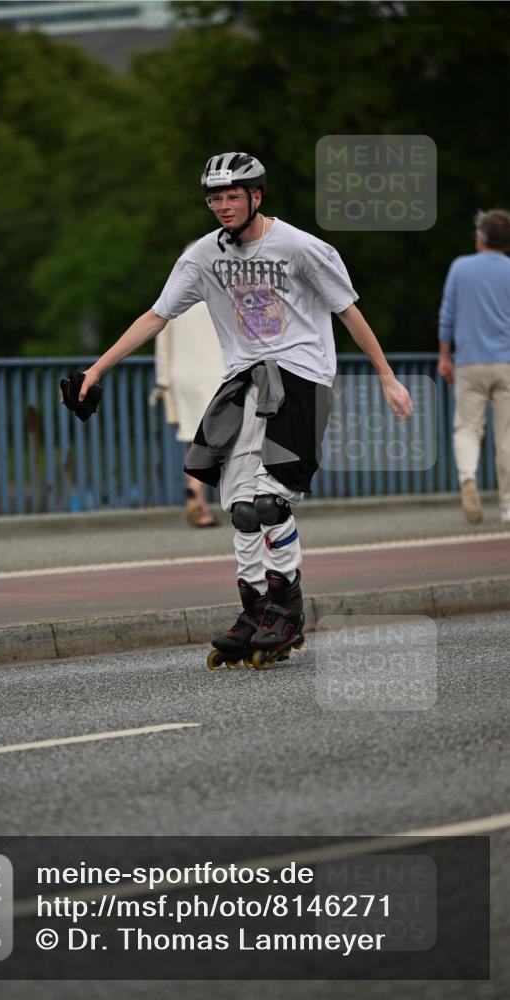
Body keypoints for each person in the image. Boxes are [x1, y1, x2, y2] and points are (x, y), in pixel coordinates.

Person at [77, 152, 412, 668]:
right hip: (243, 384)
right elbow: (155, 316)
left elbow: (348, 310)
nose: (223, 206)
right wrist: (96, 370)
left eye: (233, 195)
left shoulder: (302, 248)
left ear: (257, 196)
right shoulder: (202, 257)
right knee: (240, 509)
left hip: (301, 379)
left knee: (271, 503)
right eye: (215, 198)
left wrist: (388, 376)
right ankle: (255, 609)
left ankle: (287, 608)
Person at [438, 208, 510, 525]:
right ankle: (508, 506)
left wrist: (444, 356)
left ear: (481, 237)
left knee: (467, 429)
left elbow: (447, 315)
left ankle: (468, 477)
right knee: (506, 438)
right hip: (506, 362)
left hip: (469, 363)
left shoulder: (460, 267)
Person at [151, 299, 226, 527]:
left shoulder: (175, 296)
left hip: (181, 375)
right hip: (216, 371)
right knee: (222, 435)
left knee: (192, 439)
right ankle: (197, 487)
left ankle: (198, 504)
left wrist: (164, 382)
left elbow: (161, 339)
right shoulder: (219, 292)